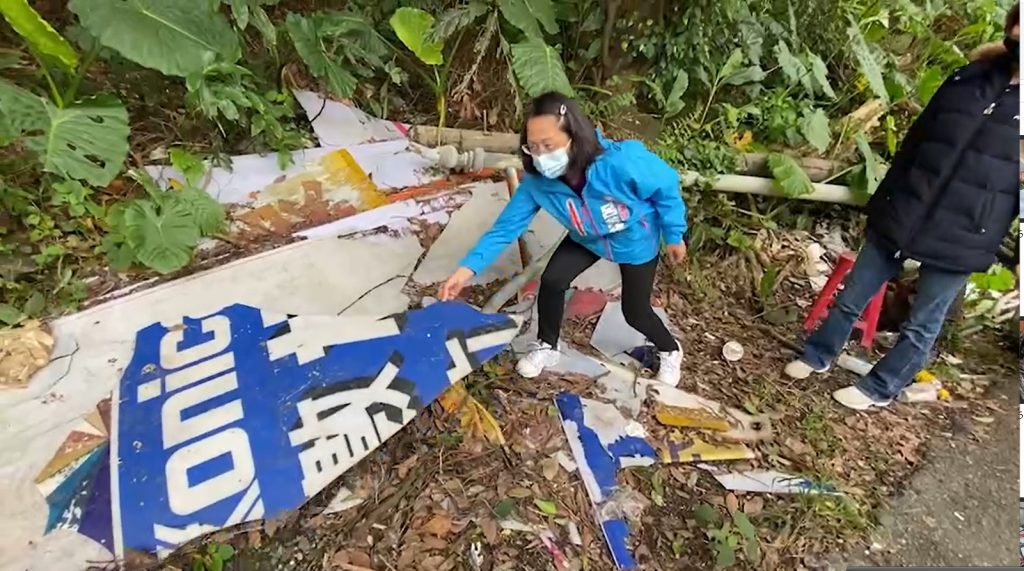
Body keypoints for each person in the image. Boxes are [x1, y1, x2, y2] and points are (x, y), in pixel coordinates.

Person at [785, 4, 1020, 410]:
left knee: (923, 321)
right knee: (855, 291)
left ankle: (880, 387)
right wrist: (887, 198)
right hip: (909, 202)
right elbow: (917, 139)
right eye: (1019, 24)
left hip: (969, 228)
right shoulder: (969, 77)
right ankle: (818, 353)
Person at [438, 92, 689, 385]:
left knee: (635, 312)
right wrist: (465, 271)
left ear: (574, 136)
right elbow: (504, 229)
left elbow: (666, 186)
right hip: (587, 238)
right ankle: (548, 346)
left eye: (549, 145)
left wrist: (674, 234)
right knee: (553, 281)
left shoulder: (621, 163)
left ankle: (670, 349)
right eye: (533, 147)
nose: (542, 156)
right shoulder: (537, 184)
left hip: (635, 240)